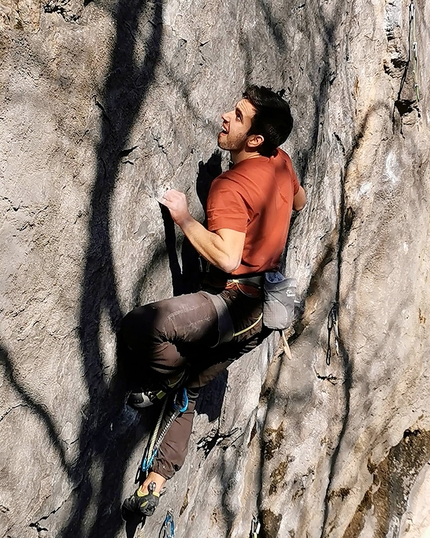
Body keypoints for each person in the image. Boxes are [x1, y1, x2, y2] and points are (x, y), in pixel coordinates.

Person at [120, 85, 306, 518]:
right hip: (262, 313)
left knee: (142, 327)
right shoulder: (281, 161)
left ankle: (171, 377)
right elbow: (297, 201)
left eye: (237, 117)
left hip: (234, 303)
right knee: (191, 389)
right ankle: (156, 482)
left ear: (255, 140)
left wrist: (185, 218)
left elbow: (226, 256)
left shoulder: (230, 185)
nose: (225, 117)